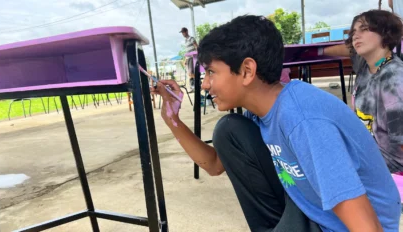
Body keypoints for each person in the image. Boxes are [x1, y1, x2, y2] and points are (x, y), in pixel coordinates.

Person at [153, 15, 401, 231]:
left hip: (343, 227)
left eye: (211, 72)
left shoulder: (303, 119)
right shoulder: (261, 111)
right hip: (312, 214)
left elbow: (367, 227)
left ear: (247, 71)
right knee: (229, 132)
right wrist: (172, 118)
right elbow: (215, 165)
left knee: (230, 129)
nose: (205, 84)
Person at [303, 10, 403, 173]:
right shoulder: (366, 66)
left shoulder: (394, 79)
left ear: (386, 33)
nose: (356, 36)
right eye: (353, 32)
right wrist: (314, 52)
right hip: (365, 153)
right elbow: (348, 48)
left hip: (388, 169)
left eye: (364, 29)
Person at [180, 27, 198, 92]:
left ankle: (197, 85)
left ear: (187, 31)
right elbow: (187, 51)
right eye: (182, 32)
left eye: (183, 32)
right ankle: (192, 87)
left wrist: (197, 56)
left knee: (191, 73)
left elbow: (196, 46)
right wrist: (185, 59)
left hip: (192, 57)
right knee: (189, 73)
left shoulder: (191, 39)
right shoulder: (185, 41)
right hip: (188, 58)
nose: (183, 34)